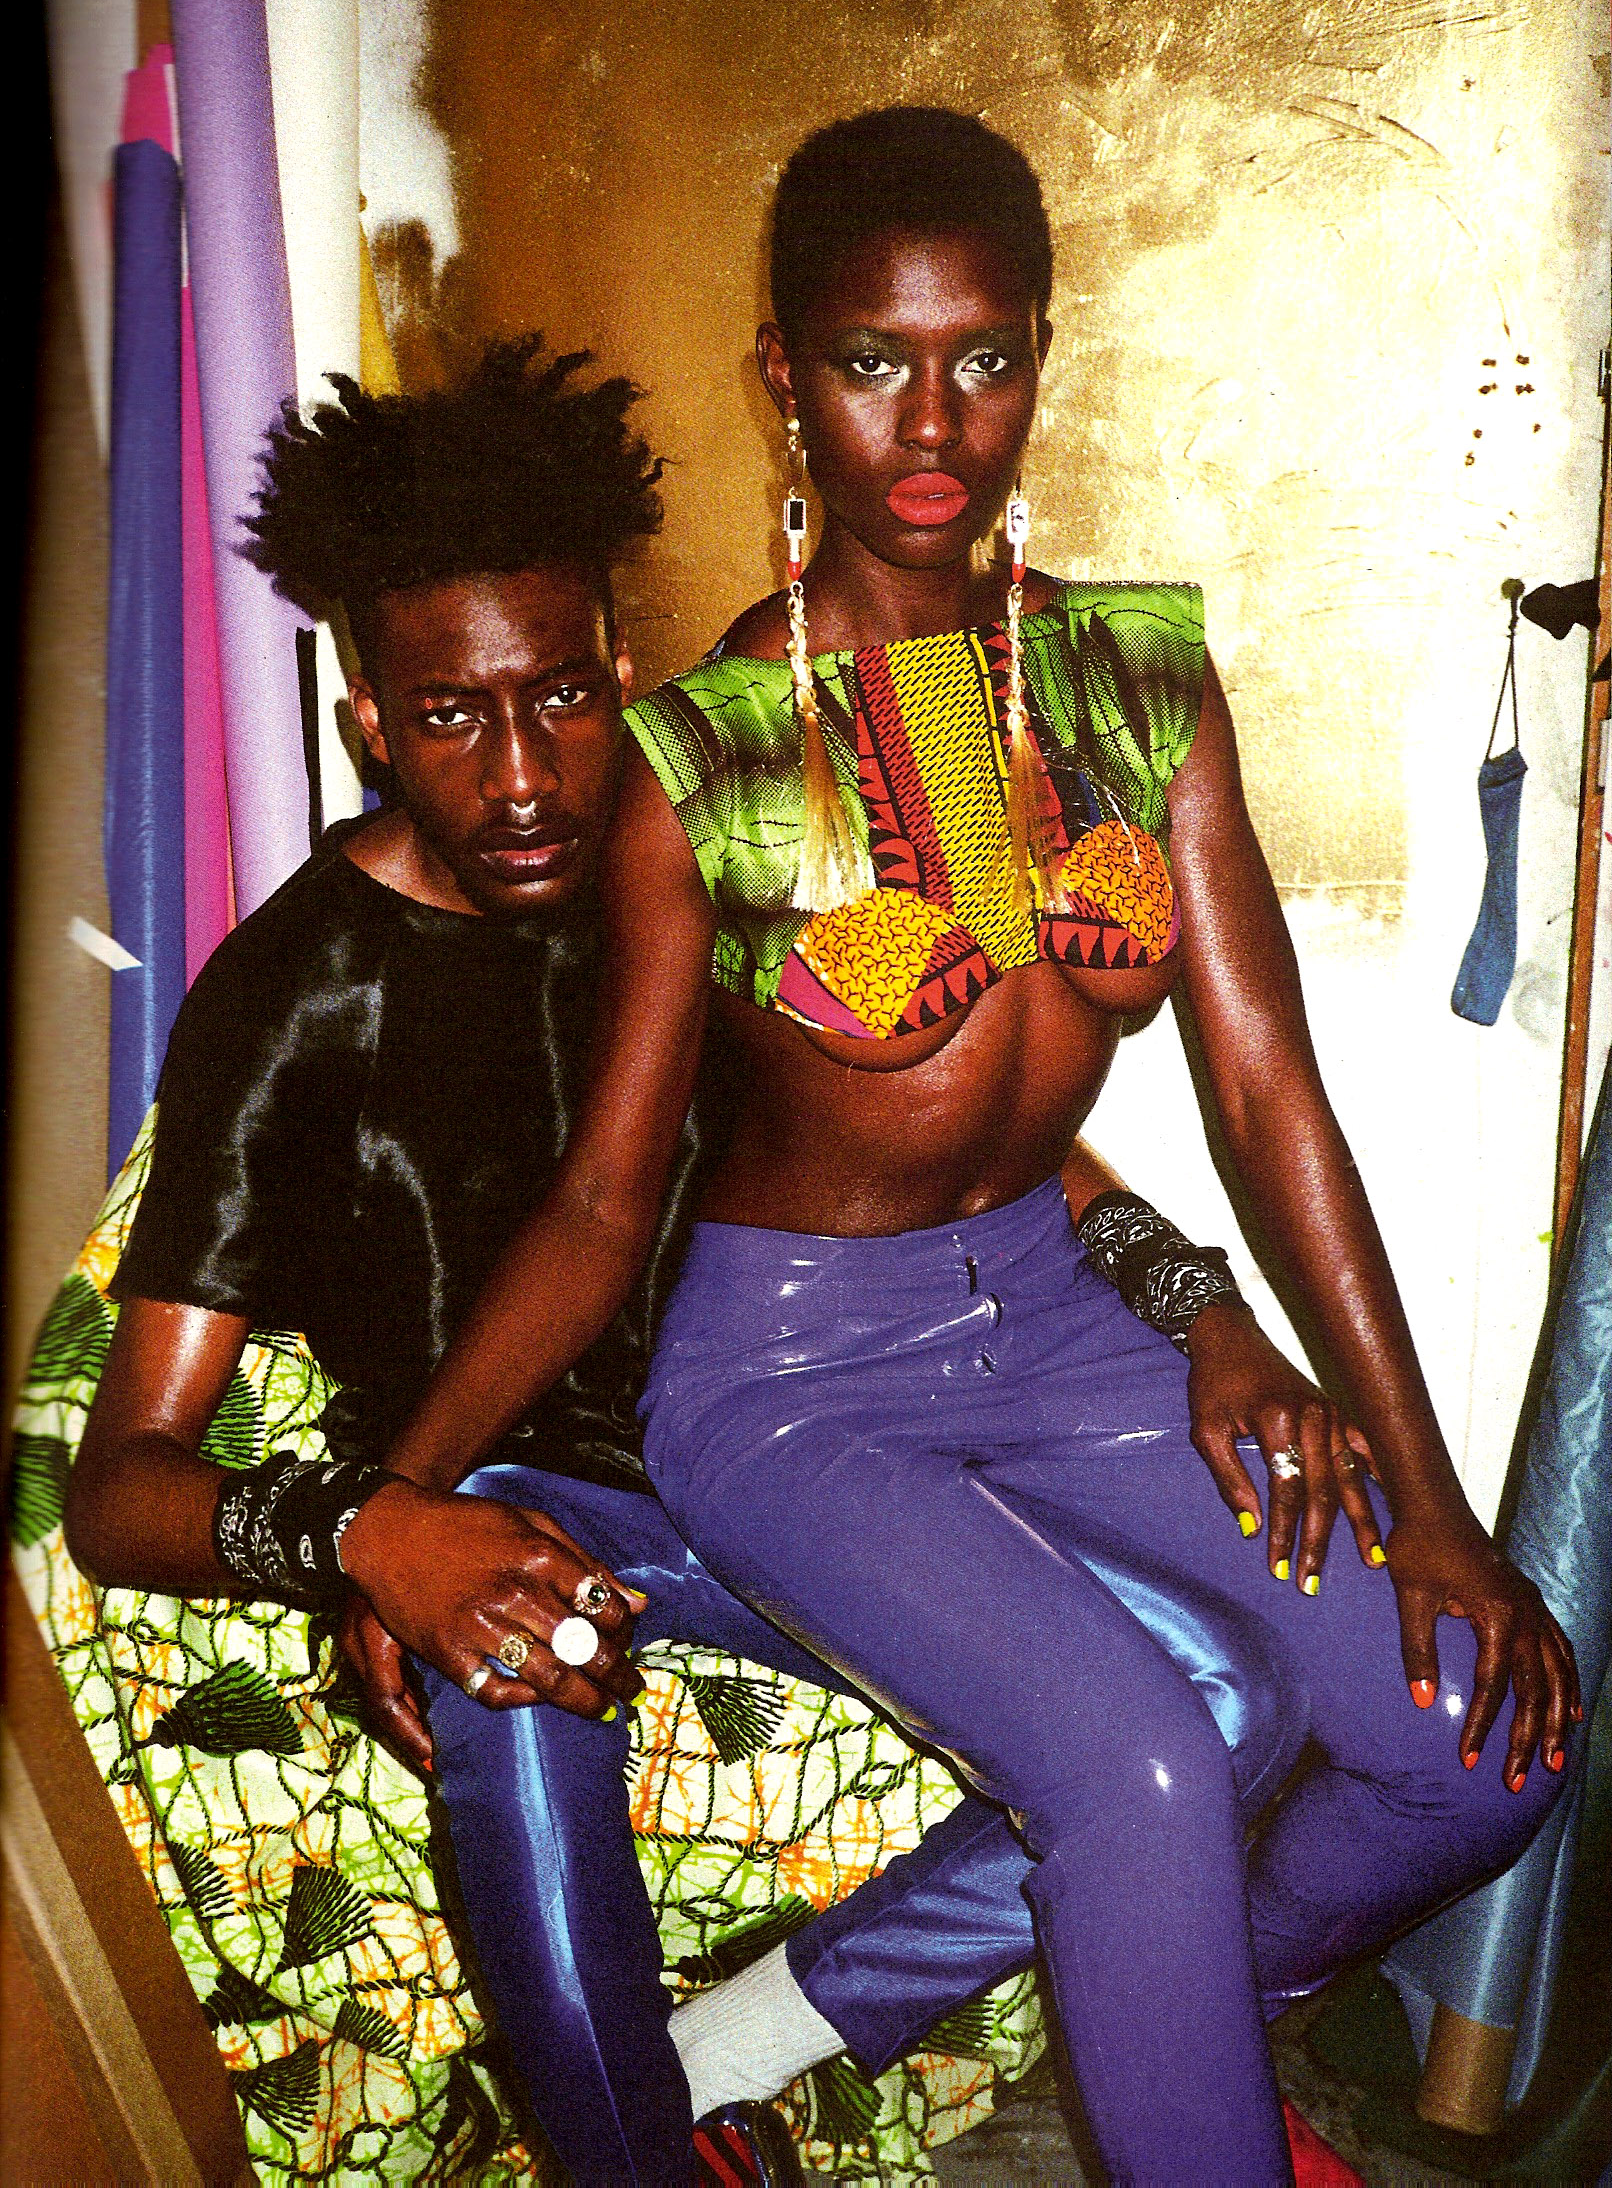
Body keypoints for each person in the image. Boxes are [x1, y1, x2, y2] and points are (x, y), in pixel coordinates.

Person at [345, 114, 1582, 2184]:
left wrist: (1435, 1501)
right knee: (1140, 1767)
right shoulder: (713, 752)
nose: (932, 427)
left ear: (1037, 359)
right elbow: (606, 1194)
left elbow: (1268, 1097)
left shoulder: (1128, 681)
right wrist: (397, 1497)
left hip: (1062, 1316)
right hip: (792, 1375)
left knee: (1474, 1739)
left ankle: (1148, 2028)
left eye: (982, 359)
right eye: (870, 362)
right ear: (784, 375)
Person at [64, 338, 1355, 2185]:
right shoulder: (292, 995)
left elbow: (989, 1148)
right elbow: (120, 1486)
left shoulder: (710, 836)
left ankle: (723, 2061)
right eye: (452, 717)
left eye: (565, 697)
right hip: (509, 1505)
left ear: (621, 668)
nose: (526, 776)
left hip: (786, 1453)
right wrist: (370, 1531)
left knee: (1227, 1700)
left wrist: (1202, 1303)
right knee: (520, 1649)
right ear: (367, 719)